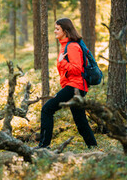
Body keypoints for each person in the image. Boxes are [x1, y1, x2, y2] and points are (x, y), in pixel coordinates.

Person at [37, 18, 97, 149]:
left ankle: (43, 146)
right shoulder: (65, 45)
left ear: (65, 30)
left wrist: (62, 61)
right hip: (74, 86)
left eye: (57, 29)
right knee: (80, 120)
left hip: (75, 86)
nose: (55, 31)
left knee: (47, 109)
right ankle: (93, 146)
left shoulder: (72, 46)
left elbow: (77, 69)